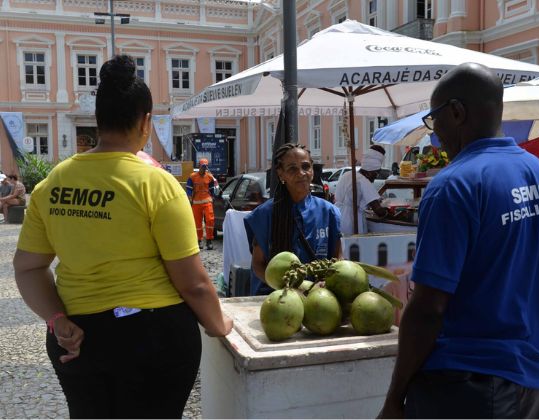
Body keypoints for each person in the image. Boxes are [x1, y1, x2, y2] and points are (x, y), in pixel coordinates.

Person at [13, 55, 232, 419]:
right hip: (153, 337)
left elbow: (28, 268)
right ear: (146, 122)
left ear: (99, 120)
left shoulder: (53, 183)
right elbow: (192, 283)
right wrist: (218, 323)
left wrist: (55, 320)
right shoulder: (156, 183)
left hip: (79, 337)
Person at [379, 63, 539, 419]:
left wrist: (395, 398)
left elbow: (428, 309)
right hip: (538, 377)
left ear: (456, 112)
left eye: (433, 121)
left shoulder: (453, 186)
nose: (434, 134)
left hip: (472, 384)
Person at [244, 143, 343, 296]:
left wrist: (326, 283)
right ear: (280, 174)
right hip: (275, 297)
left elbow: (338, 259)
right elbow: (258, 264)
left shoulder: (329, 212)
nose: (301, 173)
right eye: (292, 168)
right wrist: (282, 287)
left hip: (318, 297)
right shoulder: (265, 215)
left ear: (312, 168)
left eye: (305, 166)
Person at [335, 145, 388, 235]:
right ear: (369, 172)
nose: (377, 176)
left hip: (337, 217)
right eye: (376, 173)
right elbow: (378, 210)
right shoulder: (363, 181)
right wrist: (388, 213)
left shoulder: (347, 175)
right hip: (351, 221)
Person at [187, 158, 217, 250]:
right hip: (196, 203)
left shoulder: (210, 177)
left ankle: (209, 240)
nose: (204, 168)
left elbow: (212, 189)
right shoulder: (192, 177)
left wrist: (213, 197)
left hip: (207, 201)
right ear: (199, 166)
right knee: (197, 223)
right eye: (203, 167)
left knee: (210, 220)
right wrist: (190, 198)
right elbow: (189, 189)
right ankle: (199, 240)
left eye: (206, 167)